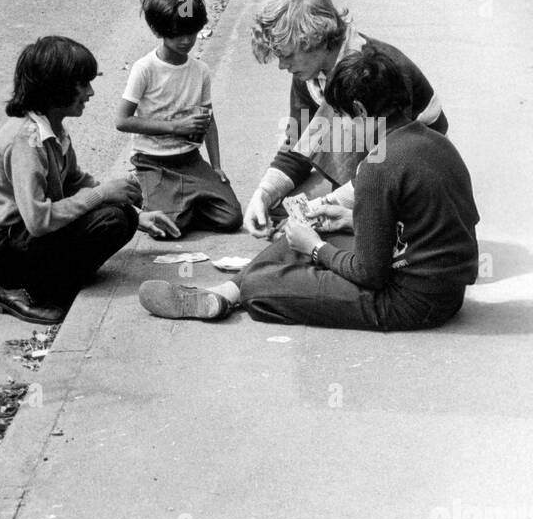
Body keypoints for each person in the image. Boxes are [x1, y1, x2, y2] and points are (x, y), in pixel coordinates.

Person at [138, 48, 479, 330]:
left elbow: (369, 274)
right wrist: (348, 219)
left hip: (410, 302)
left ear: (359, 111)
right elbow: (432, 227)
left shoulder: (378, 166)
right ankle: (224, 292)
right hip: (446, 291)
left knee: (264, 284)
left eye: (342, 119)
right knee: (300, 237)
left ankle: (240, 290)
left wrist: (315, 249)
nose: (340, 129)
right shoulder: (436, 144)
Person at [0, 36, 174, 324]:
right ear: (57, 89)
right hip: (0, 250)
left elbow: (74, 181)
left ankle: (54, 277)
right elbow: (38, 221)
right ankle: (22, 290)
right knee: (111, 219)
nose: (90, 92)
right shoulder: (26, 139)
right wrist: (102, 194)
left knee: (122, 216)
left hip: (21, 238)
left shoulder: (53, 129)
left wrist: (138, 215)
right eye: (83, 84)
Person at [241, 0, 447, 238]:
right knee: (280, 206)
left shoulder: (375, 71)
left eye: (287, 56)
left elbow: (388, 165)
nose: (282, 66)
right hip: (371, 158)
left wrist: (320, 209)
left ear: (313, 39)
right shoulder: (309, 75)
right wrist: (262, 194)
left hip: (413, 167)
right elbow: (298, 144)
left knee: (314, 218)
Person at [116, 0, 241, 237]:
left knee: (231, 217)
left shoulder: (200, 71)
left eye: (192, 32)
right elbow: (122, 120)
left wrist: (216, 165)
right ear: (159, 31)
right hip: (153, 161)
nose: (186, 41)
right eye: (177, 34)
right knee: (169, 230)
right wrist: (174, 127)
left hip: (189, 160)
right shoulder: (145, 68)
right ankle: (144, 187)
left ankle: (180, 201)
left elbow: (209, 120)